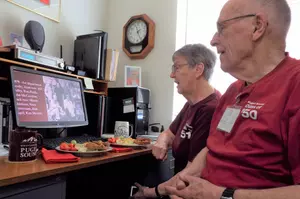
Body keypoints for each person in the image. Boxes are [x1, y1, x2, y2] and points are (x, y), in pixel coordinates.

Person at [152, 0, 300, 199]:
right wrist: (184, 180)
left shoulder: (294, 85)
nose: (213, 40)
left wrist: (223, 195)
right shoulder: (232, 92)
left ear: (258, 26)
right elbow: (213, 148)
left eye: (221, 28)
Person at [133, 43, 221, 198]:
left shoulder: (210, 109)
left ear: (198, 70)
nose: (172, 75)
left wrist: (149, 192)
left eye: (177, 68)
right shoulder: (191, 103)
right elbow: (169, 132)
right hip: (176, 187)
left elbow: (189, 177)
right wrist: (162, 141)